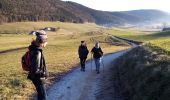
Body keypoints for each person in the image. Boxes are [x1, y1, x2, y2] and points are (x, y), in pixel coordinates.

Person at [27, 30, 48, 100]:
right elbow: (35, 70)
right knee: (43, 96)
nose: (46, 44)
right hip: (38, 78)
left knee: (40, 95)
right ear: (41, 42)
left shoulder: (32, 48)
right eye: (46, 42)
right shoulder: (37, 52)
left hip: (35, 77)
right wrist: (44, 73)